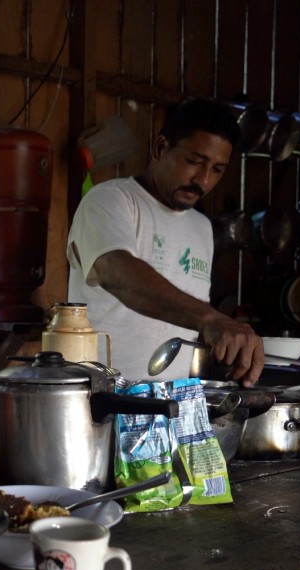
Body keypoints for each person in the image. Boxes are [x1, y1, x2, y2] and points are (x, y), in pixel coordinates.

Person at [66, 98, 264, 386]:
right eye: (194, 161)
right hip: (97, 402)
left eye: (217, 170)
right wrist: (211, 320)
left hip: (169, 411)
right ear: (160, 148)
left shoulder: (202, 228)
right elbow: (115, 271)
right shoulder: (109, 200)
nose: (203, 180)